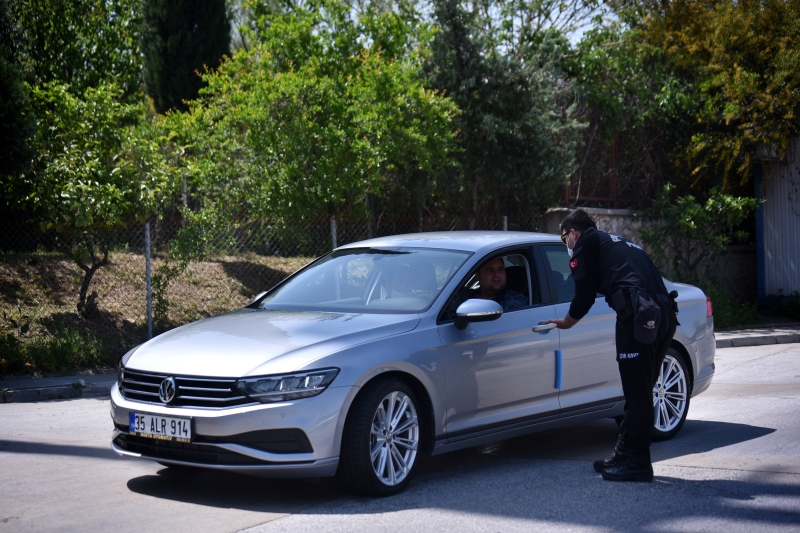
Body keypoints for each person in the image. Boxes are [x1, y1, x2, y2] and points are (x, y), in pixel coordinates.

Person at [548, 209, 678, 482]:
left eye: (564, 240)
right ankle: (624, 453)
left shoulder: (586, 243)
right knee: (640, 391)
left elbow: (583, 295)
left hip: (638, 316)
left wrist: (567, 322)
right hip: (663, 315)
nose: (567, 246)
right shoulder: (619, 242)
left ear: (573, 233)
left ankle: (639, 464)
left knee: (637, 395)